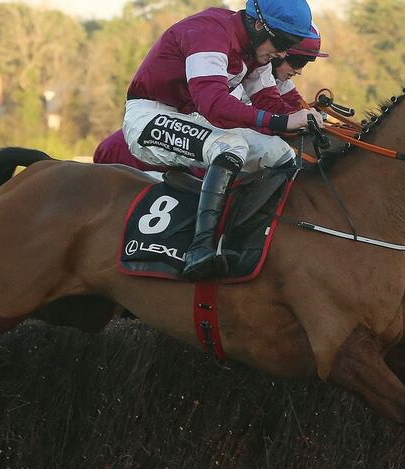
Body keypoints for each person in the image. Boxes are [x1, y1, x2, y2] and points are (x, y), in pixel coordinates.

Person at [122, 0, 324, 280]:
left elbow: (268, 101)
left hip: (193, 119)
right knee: (231, 146)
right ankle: (199, 249)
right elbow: (213, 104)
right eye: (281, 42)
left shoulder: (256, 50)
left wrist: (304, 117)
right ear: (257, 25)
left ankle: (251, 238)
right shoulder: (209, 33)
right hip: (148, 118)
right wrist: (282, 121)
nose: (282, 53)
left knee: (279, 153)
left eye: (290, 44)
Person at [94, 31, 328, 175]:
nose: (299, 70)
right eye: (297, 61)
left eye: (306, 63)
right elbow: (222, 110)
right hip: (133, 145)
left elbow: (287, 111)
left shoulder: (269, 77)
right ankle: (202, 243)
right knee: (231, 151)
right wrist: (283, 122)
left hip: (195, 130)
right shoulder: (236, 68)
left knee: (271, 152)